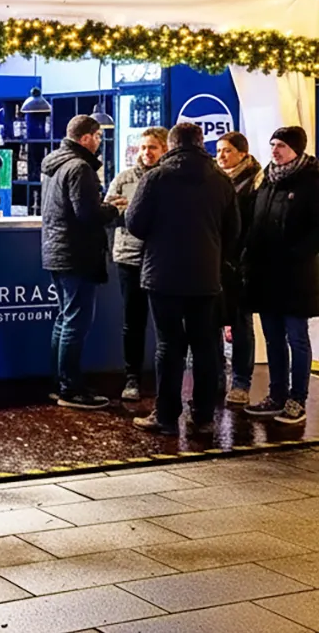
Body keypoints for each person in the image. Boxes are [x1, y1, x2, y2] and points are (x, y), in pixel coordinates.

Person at [125, 123, 240, 435]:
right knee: (204, 346)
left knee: (168, 346)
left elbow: (134, 223)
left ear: (171, 144)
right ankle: (203, 416)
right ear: (201, 143)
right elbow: (234, 231)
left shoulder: (156, 178)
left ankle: (165, 415)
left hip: (163, 275)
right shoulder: (220, 180)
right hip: (205, 276)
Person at [243, 126, 319, 425]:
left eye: (281, 145)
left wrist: (296, 254)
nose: (275, 150)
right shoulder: (267, 180)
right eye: (272, 144)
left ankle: (298, 399)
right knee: (272, 338)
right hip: (266, 275)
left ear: (296, 149)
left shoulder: (313, 182)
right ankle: (276, 394)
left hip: (297, 277)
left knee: (297, 337)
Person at [40, 114, 126, 409]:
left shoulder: (54, 164)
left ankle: (60, 382)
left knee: (64, 320)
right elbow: (86, 215)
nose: (100, 142)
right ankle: (71, 388)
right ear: (86, 137)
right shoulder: (80, 167)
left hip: (57, 252)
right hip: (77, 254)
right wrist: (112, 209)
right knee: (76, 322)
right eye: (99, 136)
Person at [105, 126, 168, 402]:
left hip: (164, 259)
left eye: (152, 147)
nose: (146, 152)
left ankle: (165, 379)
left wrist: (130, 210)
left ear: (165, 149)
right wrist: (129, 212)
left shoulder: (170, 179)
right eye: (143, 147)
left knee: (167, 324)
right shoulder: (124, 178)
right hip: (129, 259)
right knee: (133, 322)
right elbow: (107, 213)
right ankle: (132, 378)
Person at [216, 132, 262, 405]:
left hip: (241, 262)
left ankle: (241, 382)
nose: (221, 156)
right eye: (219, 150)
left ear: (243, 154)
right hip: (217, 261)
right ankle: (217, 379)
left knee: (241, 323)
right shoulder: (215, 180)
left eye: (227, 151)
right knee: (214, 321)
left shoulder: (255, 182)